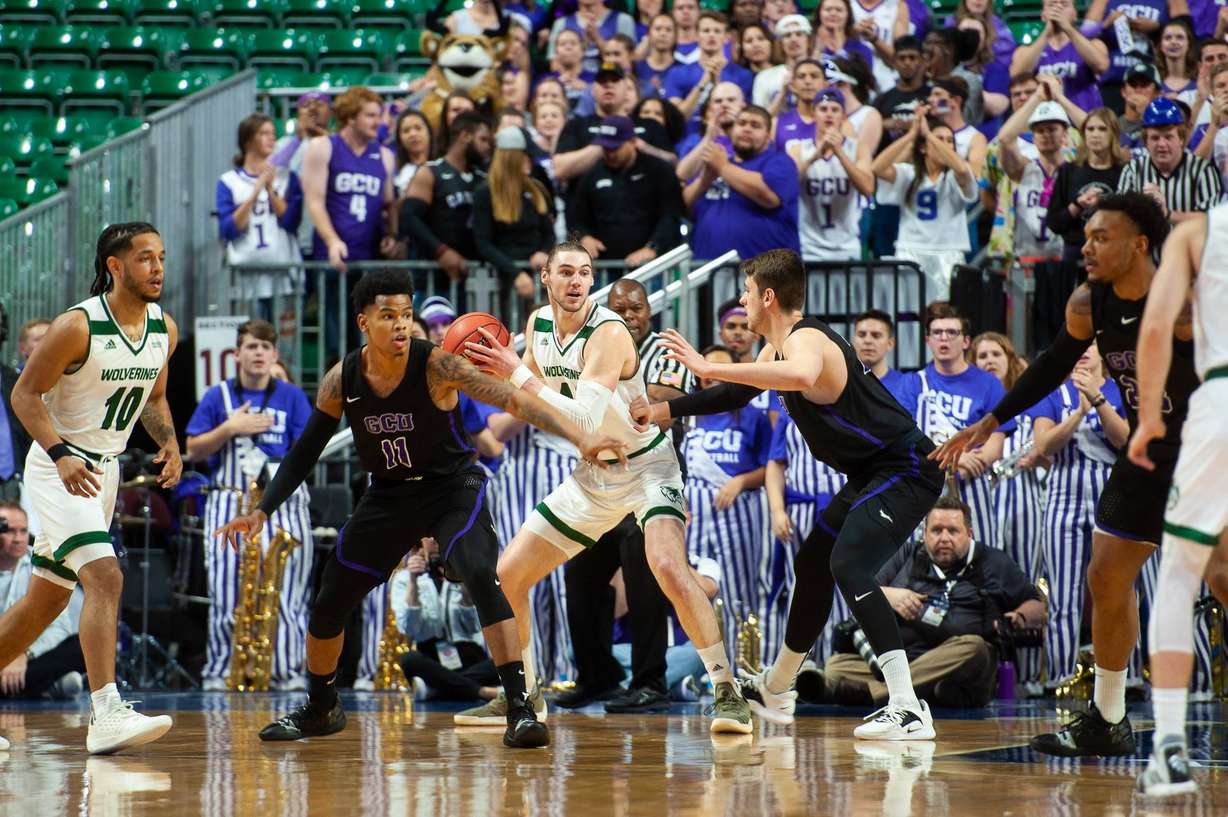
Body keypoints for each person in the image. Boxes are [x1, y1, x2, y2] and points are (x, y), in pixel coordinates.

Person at [214, 268, 625, 749]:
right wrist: (263, 509)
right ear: (364, 321)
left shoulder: (437, 365)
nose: (401, 326)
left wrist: (582, 435)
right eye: (388, 316)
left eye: (406, 315)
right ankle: (321, 707)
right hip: (389, 494)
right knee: (330, 597)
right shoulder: (340, 378)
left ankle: (520, 707)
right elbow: (306, 448)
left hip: (452, 487)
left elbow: (512, 398)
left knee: (478, 570)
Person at [931, 192, 1209, 758]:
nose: (1086, 247)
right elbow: (1054, 362)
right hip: (1145, 455)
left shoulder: (1182, 303)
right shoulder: (1089, 300)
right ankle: (1108, 717)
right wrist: (989, 421)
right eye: (1085, 236)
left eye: (1101, 237)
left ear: (1138, 244)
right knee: (1105, 576)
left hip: (1204, 453)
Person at [637, 248, 943, 739]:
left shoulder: (808, 341)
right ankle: (778, 689)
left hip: (907, 468)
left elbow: (799, 377)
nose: (742, 301)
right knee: (813, 562)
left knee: (848, 565)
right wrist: (663, 412)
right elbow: (736, 395)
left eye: (747, 293)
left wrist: (710, 366)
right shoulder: (775, 349)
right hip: (872, 472)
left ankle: (907, 706)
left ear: (769, 296)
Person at [462, 240, 754, 736]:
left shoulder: (610, 331)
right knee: (506, 575)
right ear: (547, 278)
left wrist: (512, 372)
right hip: (592, 476)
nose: (577, 281)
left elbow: (583, 415)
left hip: (647, 468)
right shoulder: (537, 325)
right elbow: (527, 397)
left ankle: (728, 692)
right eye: (566, 273)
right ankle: (524, 695)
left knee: (666, 565)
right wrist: (473, 378)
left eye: (585, 272)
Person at [0, 223, 180, 755]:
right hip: (59, 468)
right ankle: (106, 712)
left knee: (44, 604)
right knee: (105, 576)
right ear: (115, 267)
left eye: (162, 257)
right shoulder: (77, 326)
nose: (158, 268)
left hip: (106, 470)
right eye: (146, 258)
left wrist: (169, 444)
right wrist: (59, 454)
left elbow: (154, 397)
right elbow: (25, 395)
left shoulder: (163, 328)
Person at [556, 278, 693, 712]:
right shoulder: (594, 345)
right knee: (579, 573)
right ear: (608, 310)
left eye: (637, 308)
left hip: (651, 474)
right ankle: (597, 678)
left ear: (649, 311)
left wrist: (599, 398)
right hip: (600, 475)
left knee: (644, 578)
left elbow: (661, 408)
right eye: (621, 308)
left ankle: (650, 682)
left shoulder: (667, 350)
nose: (630, 315)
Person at [1128, 206, 1228, 798]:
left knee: (1180, 572)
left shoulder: (1198, 230)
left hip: (1220, 400)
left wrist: (1146, 420)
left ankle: (1168, 750)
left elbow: (1158, 326)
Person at [185, 319, 315, 692]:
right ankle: (222, 670)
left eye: (265, 347)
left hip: (283, 502)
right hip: (229, 497)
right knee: (227, 590)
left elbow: (307, 452)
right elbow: (193, 449)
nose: (258, 353)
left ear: (274, 354)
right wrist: (230, 428)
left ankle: (287, 671)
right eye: (251, 346)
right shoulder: (217, 396)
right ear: (237, 353)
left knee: (287, 593)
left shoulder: (292, 396)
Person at [820, 496, 1046, 708]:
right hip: (908, 658)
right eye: (936, 530)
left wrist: (1019, 617)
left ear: (969, 533)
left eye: (953, 531)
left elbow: (1038, 605)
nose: (944, 538)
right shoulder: (907, 555)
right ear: (924, 533)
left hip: (962, 660)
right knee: (836, 666)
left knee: (975, 648)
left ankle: (881, 694)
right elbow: (860, 590)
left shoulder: (994, 562)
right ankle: (924, 691)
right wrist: (891, 595)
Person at [1029, 343, 1127, 690]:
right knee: (1064, 593)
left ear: (1104, 351)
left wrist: (1098, 402)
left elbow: (1125, 441)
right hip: (1063, 496)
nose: (1085, 352)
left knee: (1119, 589)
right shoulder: (1053, 392)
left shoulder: (1121, 388)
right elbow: (1044, 446)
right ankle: (1060, 677)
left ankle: (1125, 678)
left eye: (1093, 345)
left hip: (1112, 493)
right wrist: (1077, 412)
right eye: (1079, 346)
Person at [680, 345, 772, 649]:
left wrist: (740, 481)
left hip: (739, 510)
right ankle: (698, 668)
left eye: (721, 369)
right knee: (691, 587)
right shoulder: (690, 414)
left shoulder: (753, 416)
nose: (714, 377)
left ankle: (740, 665)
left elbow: (770, 466)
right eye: (708, 369)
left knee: (738, 590)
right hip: (695, 513)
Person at [895, 302, 1009, 545]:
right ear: (928, 340)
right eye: (937, 333)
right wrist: (954, 461)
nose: (943, 339)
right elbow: (905, 440)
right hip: (927, 485)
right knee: (924, 559)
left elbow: (995, 445)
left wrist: (966, 462)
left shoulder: (988, 384)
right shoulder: (913, 383)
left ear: (966, 341)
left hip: (974, 484)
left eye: (952, 332)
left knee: (980, 557)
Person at [302, 87, 398, 358]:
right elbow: (315, 201)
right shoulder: (323, 147)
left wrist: (391, 233)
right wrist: (332, 241)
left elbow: (389, 203)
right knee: (336, 341)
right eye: (370, 115)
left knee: (368, 342)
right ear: (350, 117)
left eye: (378, 116)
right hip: (333, 261)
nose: (378, 122)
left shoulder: (385, 156)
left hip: (369, 260)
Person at [764, 406, 846, 661]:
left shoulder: (854, 404)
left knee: (846, 590)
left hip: (845, 508)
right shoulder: (790, 410)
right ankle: (799, 669)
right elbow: (776, 464)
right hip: (800, 513)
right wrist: (777, 510)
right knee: (800, 591)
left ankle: (841, 664)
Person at [872, 112, 978, 303]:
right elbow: (878, 167)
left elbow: (962, 169)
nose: (945, 144)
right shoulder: (908, 173)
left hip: (949, 251)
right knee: (908, 313)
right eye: (940, 139)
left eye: (949, 141)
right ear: (923, 148)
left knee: (945, 313)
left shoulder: (956, 175)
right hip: (910, 250)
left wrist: (929, 135)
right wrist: (911, 135)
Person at [789, 87, 874, 313]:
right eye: (823, 109)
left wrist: (839, 153)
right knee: (812, 318)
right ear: (814, 114)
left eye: (835, 109)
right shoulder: (798, 148)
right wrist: (817, 155)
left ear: (843, 116)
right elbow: (788, 183)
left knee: (846, 316)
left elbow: (868, 188)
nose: (829, 114)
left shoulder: (858, 148)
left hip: (846, 247)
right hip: (809, 249)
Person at [567, 115, 684, 276]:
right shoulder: (592, 174)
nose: (610, 153)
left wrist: (653, 247)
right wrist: (585, 238)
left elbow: (671, 215)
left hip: (651, 268)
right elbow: (576, 218)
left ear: (633, 142)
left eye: (615, 147)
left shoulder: (659, 171)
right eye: (605, 148)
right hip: (605, 269)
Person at [218, 113, 304, 322]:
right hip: (246, 279)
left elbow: (291, 221)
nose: (271, 139)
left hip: (282, 275)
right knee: (252, 341)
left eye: (273, 134)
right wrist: (254, 194)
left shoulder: (287, 177)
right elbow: (228, 229)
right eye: (264, 133)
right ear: (248, 140)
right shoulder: (229, 181)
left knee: (285, 345)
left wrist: (271, 189)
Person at [394, 537, 501, 703]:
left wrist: (465, 581)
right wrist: (413, 581)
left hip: (468, 655)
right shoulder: (404, 579)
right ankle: (482, 691)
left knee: (503, 664)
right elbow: (409, 628)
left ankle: (434, 689)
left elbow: (473, 627)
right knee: (409, 660)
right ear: (419, 547)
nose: (436, 541)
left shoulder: (463, 573)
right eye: (430, 538)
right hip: (431, 657)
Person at [687, 106, 801, 261]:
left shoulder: (780, 162)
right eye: (741, 123)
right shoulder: (715, 165)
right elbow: (684, 206)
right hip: (707, 271)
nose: (747, 129)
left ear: (768, 136)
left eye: (755, 126)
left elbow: (769, 197)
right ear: (733, 130)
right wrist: (703, 181)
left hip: (764, 274)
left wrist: (723, 167)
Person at [400, 112, 493, 292]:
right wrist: (441, 251)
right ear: (465, 136)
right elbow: (409, 218)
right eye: (483, 139)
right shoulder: (430, 172)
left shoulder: (483, 178)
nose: (487, 147)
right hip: (434, 279)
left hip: (474, 278)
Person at [0, 503, 84, 700]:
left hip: (30, 656)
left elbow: (59, 628)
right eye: (9, 531)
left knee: (82, 646)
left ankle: (17, 686)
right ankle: (45, 685)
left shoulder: (43, 565)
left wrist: (24, 655)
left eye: (23, 531)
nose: (18, 539)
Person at [472, 126, 554, 315]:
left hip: (537, 277)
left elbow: (548, 233)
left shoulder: (536, 189)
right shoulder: (485, 193)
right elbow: (483, 243)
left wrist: (543, 252)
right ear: (515, 158)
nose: (530, 161)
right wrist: (515, 273)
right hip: (503, 279)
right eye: (525, 155)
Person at [553, 63, 675, 185]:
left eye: (615, 80)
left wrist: (641, 147)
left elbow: (673, 164)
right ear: (593, 90)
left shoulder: (649, 125)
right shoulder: (576, 125)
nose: (608, 85)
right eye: (602, 81)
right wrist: (606, 143)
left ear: (626, 89)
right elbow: (560, 170)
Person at [995, 93, 1072, 264]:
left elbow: (1101, 129)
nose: (1046, 135)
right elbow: (1005, 138)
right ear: (1033, 136)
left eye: (1052, 129)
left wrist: (1060, 98)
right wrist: (1036, 97)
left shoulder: (1075, 171)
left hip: (1065, 261)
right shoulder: (1023, 170)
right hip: (1026, 260)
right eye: (1040, 130)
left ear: (1065, 134)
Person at [1117, 98, 1222, 222]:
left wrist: (1167, 213)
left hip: (1188, 240)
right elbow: (1121, 218)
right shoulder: (1132, 171)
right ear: (1146, 142)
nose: (1162, 144)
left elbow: (1209, 220)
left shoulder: (1203, 171)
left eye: (1168, 137)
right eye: (1155, 138)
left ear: (1181, 139)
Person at [1009, 0, 1108, 113]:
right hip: (1045, 123)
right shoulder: (1025, 50)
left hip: (1085, 121)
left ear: (1075, 14)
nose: (1058, 9)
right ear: (1043, 14)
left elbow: (1102, 66)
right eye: (1052, 5)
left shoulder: (1093, 44)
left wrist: (1068, 29)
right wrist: (1046, 34)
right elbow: (1016, 75)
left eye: (1064, 5)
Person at [665, 11, 755, 122]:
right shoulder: (677, 73)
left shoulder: (743, 75)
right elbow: (675, 118)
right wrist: (703, 83)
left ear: (727, 37)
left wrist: (717, 83)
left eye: (717, 31)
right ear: (696, 36)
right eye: (706, 31)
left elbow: (745, 117)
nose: (711, 35)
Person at [675, 81, 745, 182]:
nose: (724, 105)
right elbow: (682, 174)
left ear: (743, 105)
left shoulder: (750, 138)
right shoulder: (696, 140)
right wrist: (709, 138)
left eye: (731, 100)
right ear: (710, 108)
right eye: (718, 101)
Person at [546, 0, 637, 77]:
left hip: (611, 79)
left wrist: (597, 39)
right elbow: (555, 65)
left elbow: (628, 64)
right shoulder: (561, 23)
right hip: (572, 85)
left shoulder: (623, 21)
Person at [752, 14, 814, 108]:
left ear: (808, 40)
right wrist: (782, 93)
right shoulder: (764, 78)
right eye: (787, 35)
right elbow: (760, 116)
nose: (793, 39)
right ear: (780, 44)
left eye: (799, 34)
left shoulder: (821, 74)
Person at [771, 58, 826, 154]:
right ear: (792, 86)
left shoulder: (838, 123)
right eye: (801, 76)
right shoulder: (776, 123)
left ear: (826, 85)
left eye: (814, 76)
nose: (808, 81)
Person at [852, 309, 907, 402]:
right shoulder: (842, 383)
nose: (867, 341)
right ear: (853, 342)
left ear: (890, 344)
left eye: (876, 335)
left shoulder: (905, 385)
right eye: (861, 335)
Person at [1118, 63, 1163, 155]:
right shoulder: (1112, 126)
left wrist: (1146, 113)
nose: (1138, 90)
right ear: (1123, 92)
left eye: (1144, 85)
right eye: (1133, 84)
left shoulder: (1165, 125)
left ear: (1158, 94)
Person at [392, 109, 434, 198]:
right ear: (400, 139)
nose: (413, 134)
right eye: (406, 131)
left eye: (418, 128)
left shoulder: (443, 167)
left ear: (429, 133)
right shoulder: (395, 175)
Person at [636, 13, 678, 96]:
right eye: (658, 29)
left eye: (668, 30)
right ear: (649, 34)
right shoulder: (637, 68)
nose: (663, 33)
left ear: (675, 36)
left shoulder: (682, 69)